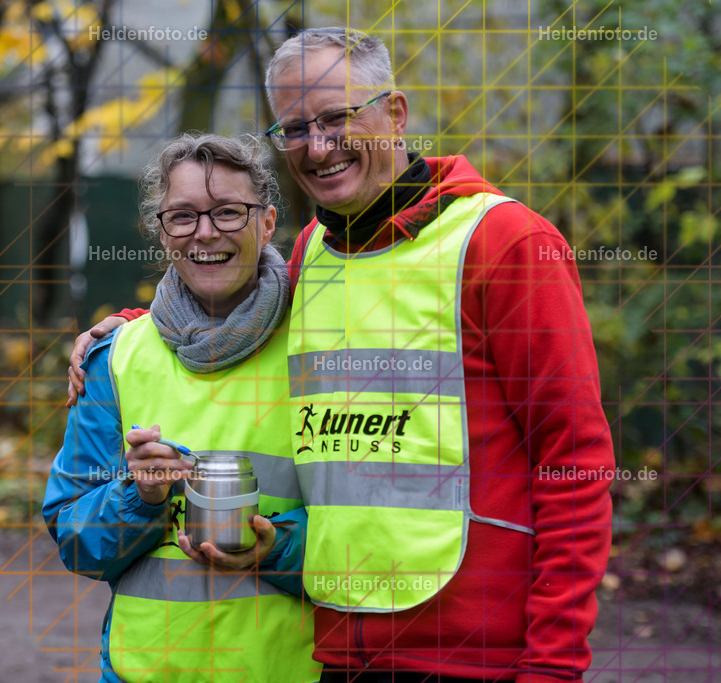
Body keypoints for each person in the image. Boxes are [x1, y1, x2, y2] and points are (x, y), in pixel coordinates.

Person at [71, 28, 614, 683]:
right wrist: (132, 326)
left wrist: (553, 666)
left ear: (396, 113)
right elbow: (235, 305)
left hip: (473, 656)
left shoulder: (505, 241)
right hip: (338, 647)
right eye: (295, 127)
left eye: (337, 118)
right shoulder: (315, 255)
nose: (319, 146)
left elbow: (574, 462)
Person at [43, 133, 319, 682]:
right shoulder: (114, 358)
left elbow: (372, 529)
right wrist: (139, 496)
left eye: (228, 213)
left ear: (266, 224)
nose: (206, 233)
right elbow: (76, 541)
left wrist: (277, 547)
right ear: (161, 231)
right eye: (184, 216)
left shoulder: (323, 348)